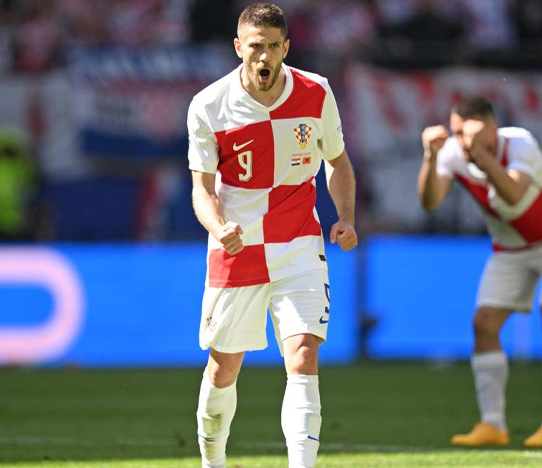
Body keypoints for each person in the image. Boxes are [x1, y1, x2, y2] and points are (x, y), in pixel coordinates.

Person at [186, 3, 357, 468]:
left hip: (299, 243)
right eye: (255, 46)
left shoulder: (316, 92)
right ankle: (212, 462)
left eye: (272, 47)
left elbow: (337, 162)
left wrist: (345, 217)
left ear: (286, 48)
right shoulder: (209, 104)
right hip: (237, 248)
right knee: (224, 367)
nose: (263, 56)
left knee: (303, 355)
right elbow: (202, 189)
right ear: (238, 47)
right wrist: (218, 226)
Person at [417, 96, 542, 448]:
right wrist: (430, 157)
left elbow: (513, 194)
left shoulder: (520, 142)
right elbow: (430, 202)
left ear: (492, 129)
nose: (462, 140)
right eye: (457, 132)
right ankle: (493, 424)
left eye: (469, 132)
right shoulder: (452, 153)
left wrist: (481, 154)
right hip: (511, 247)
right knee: (484, 323)